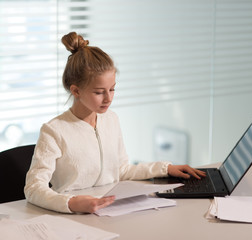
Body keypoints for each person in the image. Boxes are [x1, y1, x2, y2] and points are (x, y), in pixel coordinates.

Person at [24, 32, 206, 214]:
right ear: (76, 91)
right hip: (75, 215)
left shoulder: (111, 119)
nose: (108, 98)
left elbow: (121, 170)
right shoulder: (54, 131)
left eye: (112, 89)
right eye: (99, 92)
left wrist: (165, 168)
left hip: (111, 209)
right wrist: (71, 203)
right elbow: (33, 188)